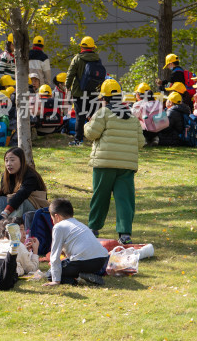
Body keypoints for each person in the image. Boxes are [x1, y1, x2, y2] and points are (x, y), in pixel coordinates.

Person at [83, 80, 143, 245]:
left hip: (104, 164)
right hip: (126, 166)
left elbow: (91, 134)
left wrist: (87, 123)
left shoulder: (103, 113)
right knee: (125, 200)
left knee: (100, 197)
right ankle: (124, 234)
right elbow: (141, 142)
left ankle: (93, 229)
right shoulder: (131, 116)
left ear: (105, 98)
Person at [44, 199, 109, 286]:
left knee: (50, 274)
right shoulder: (79, 224)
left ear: (56, 216)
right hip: (101, 261)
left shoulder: (58, 227)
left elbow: (54, 256)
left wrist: (55, 280)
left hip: (83, 262)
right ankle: (86, 275)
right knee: (68, 265)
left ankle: (78, 280)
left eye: (52, 219)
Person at [0, 147, 48, 218]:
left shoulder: (31, 176)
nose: (8, 164)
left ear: (21, 161)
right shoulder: (6, 176)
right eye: (6, 160)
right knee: (1, 199)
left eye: (12, 160)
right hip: (16, 206)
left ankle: (11, 225)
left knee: (20, 203)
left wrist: (6, 212)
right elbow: (5, 199)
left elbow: (21, 196)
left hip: (35, 209)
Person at [66, 36, 101, 146]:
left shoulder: (77, 58)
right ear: (93, 47)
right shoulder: (97, 59)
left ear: (81, 47)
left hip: (78, 92)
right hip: (93, 92)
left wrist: (67, 87)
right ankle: (95, 138)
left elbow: (70, 73)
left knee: (80, 117)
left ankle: (78, 140)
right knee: (94, 116)